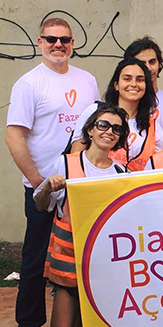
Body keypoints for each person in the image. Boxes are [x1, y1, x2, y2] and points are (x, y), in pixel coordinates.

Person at [5, 17, 101, 327]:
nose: (57, 45)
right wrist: (37, 181)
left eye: (64, 40)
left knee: (83, 260)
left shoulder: (87, 80)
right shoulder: (29, 83)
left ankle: (81, 320)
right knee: (35, 261)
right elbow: (14, 135)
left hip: (80, 189)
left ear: (73, 44)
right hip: (45, 188)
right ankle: (30, 321)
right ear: (40, 42)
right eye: (51, 39)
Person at [34, 105, 128, 327]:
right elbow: (40, 205)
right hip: (69, 261)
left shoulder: (121, 174)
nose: (109, 131)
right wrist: (48, 187)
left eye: (116, 128)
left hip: (103, 264)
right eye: (103, 125)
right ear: (90, 130)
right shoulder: (66, 163)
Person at [71, 58, 163, 171]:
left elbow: (159, 167)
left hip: (135, 188)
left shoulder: (153, 127)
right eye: (127, 79)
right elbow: (76, 159)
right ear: (116, 85)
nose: (133, 84)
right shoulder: (95, 112)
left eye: (140, 80)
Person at [123, 35, 163, 145]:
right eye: (142, 63)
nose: (148, 68)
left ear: (159, 64)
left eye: (152, 62)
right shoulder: (122, 101)